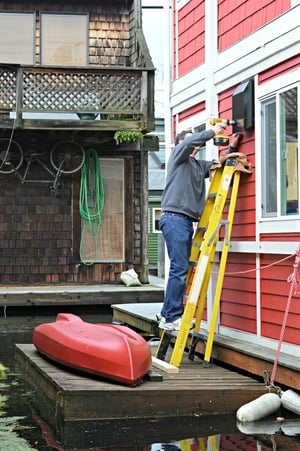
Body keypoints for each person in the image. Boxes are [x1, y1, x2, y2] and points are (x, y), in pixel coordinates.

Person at [158, 126, 243, 330]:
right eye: (191, 141)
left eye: (196, 142)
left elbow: (217, 164)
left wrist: (231, 147)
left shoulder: (196, 165)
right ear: (180, 144)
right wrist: (212, 131)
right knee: (179, 269)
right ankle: (170, 317)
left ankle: (168, 315)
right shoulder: (178, 157)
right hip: (174, 218)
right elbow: (189, 143)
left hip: (184, 221)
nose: (195, 144)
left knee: (181, 268)